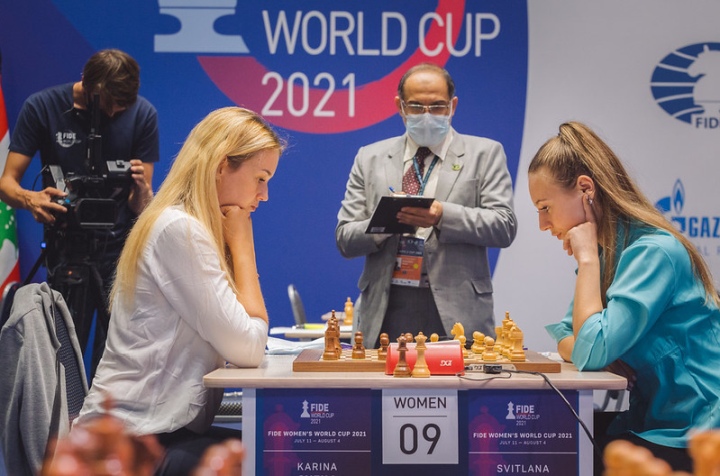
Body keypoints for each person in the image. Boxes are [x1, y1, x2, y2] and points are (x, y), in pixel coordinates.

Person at [75, 106, 283, 476]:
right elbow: (250, 348)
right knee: (275, 461)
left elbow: (247, 341)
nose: (264, 195)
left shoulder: (182, 224)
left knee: (277, 452)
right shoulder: (180, 231)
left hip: (162, 429)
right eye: (260, 178)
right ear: (222, 167)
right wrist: (243, 246)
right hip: (134, 443)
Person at [527, 121, 720, 473]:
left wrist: (586, 260)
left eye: (545, 207)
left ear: (586, 188)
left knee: (563, 457)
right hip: (652, 418)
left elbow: (588, 347)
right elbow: (568, 335)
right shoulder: (613, 250)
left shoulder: (653, 252)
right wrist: (596, 350)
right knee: (552, 445)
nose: (543, 224)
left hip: (696, 430)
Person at [0, 49, 159, 378]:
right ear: (87, 86)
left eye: (122, 107)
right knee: (61, 365)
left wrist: (143, 190)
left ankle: (108, 430)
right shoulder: (43, 107)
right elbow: (6, 184)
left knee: (115, 368)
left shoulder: (142, 114)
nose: (115, 112)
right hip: (66, 251)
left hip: (120, 255)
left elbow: (139, 206)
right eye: (110, 104)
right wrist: (31, 200)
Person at [336, 63, 517, 348]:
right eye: (417, 107)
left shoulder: (485, 154)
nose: (427, 115)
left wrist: (441, 214)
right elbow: (345, 238)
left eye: (437, 107)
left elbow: (504, 225)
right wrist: (386, 223)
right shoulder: (369, 158)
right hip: (388, 306)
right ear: (400, 106)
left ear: (453, 106)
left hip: (458, 309)